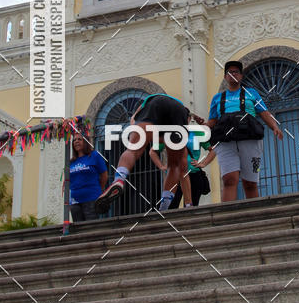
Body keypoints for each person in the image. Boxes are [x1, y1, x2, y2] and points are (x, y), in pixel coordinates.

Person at [95, 92, 205, 215]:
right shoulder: (181, 113)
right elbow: (184, 171)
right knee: (174, 166)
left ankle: (119, 180)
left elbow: (133, 121)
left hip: (155, 103)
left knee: (133, 149)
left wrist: (141, 137)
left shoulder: (144, 108)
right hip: (179, 111)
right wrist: (189, 204)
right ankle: (164, 207)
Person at [206, 60, 283, 201]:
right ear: (225, 77)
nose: (233, 74)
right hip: (225, 141)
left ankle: (254, 215)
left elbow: (264, 112)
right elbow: (212, 121)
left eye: (236, 72)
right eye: (229, 72)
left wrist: (275, 127)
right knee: (229, 179)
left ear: (241, 76)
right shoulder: (218, 98)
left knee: (250, 183)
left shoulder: (252, 93)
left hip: (250, 140)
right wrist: (202, 129)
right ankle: (227, 217)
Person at [166, 123, 212, 209]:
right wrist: (162, 166)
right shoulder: (171, 131)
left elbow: (213, 149)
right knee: (171, 207)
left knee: (191, 208)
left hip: (193, 173)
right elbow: (153, 150)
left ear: (189, 119)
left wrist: (203, 163)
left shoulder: (196, 132)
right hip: (176, 176)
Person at [69, 130, 108, 222]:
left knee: (90, 227)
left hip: (91, 198)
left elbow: (104, 175)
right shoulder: (71, 162)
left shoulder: (94, 156)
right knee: (78, 229)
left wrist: (99, 189)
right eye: (74, 140)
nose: (76, 141)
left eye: (79, 139)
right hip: (75, 201)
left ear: (86, 142)